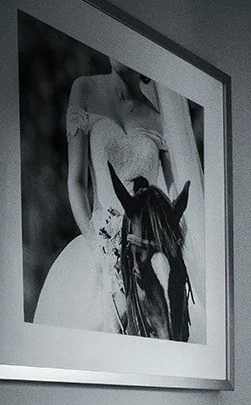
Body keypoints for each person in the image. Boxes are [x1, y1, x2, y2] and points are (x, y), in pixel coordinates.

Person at [33, 59, 204, 337]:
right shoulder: (85, 90)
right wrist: (98, 245)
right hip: (100, 244)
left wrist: (169, 241)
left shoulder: (158, 116)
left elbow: (173, 191)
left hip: (147, 247)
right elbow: (76, 182)